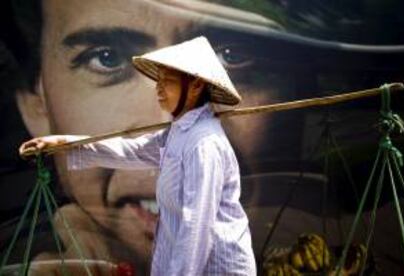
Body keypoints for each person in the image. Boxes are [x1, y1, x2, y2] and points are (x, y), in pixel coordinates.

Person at [20, 36, 257, 275]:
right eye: (159, 80)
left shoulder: (204, 144)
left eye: (169, 82)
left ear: (196, 87)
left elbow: (197, 226)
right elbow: (130, 150)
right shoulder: (179, 133)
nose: (159, 89)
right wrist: (62, 143)